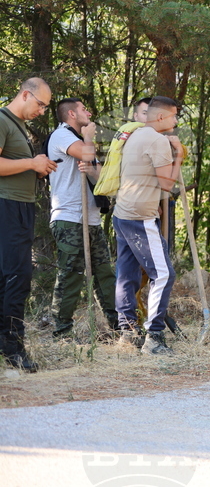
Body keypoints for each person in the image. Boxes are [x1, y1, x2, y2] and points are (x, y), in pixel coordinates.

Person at [113, 96, 184, 355]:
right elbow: (166, 184)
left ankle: (128, 333)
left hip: (123, 212)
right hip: (141, 217)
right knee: (163, 274)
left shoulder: (135, 135)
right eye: (174, 115)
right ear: (162, 116)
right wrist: (179, 156)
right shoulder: (156, 140)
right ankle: (154, 337)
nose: (176, 121)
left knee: (127, 274)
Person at [48, 98, 118, 340]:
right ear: (71, 114)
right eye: (83, 109)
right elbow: (86, 152)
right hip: (69, 218)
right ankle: (62, 333)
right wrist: (88, 137)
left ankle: (119, 326)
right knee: (71, 274)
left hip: (92, 219)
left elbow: (103, 179)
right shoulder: (61, 135)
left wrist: (92, 170)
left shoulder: (82, 140)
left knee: (104, 274)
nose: (88, 113)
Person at [0, 78, 58, 371]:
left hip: (19, 206)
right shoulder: (2, 120)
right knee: (17, 277)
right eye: (41, 104)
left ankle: (6, 344)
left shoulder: (16, 125)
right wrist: (31, 163)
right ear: (25, 94)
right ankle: (13, 348)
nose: (42, 111)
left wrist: (37, 169)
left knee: (9, 278)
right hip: (8, 207)